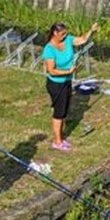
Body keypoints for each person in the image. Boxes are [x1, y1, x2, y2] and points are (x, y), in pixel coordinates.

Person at [42, 21, 99, 151]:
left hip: (67, 82)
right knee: (59, 113)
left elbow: (82, 40)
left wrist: (91, 30)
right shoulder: (49, 49)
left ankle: (61, 138)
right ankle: (56, 142)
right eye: (62, 34)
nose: (65, 35)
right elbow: (51, 70)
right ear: (55, 33)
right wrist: (68, 71)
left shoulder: (67, 40)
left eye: (65, 33)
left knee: (64, 111)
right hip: (56, 85)